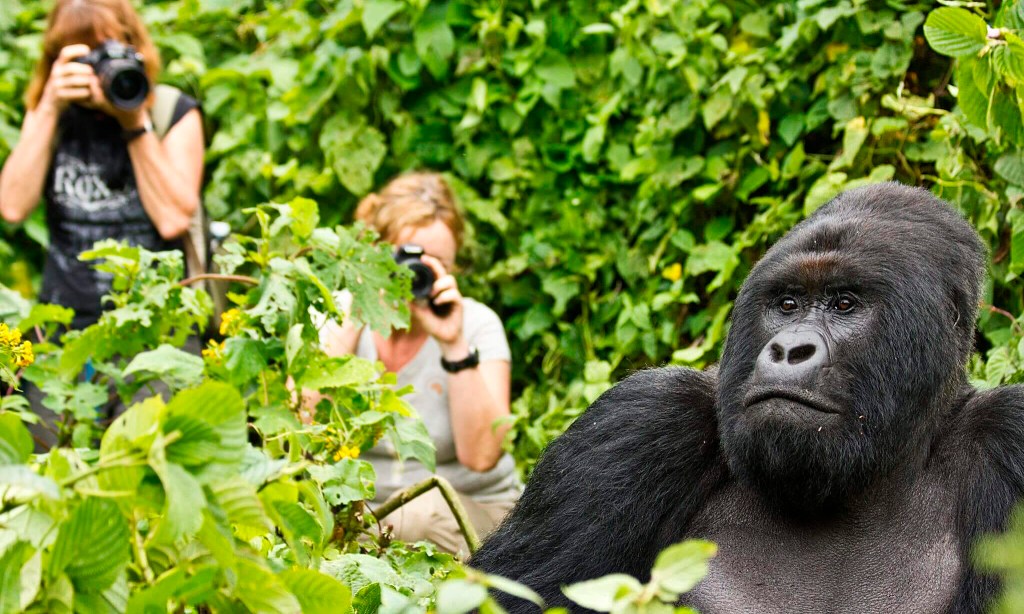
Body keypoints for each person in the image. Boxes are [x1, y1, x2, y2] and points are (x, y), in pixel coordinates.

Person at [321, 172, 520, 556]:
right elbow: (301, 426)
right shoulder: (337, 315)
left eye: (436, 263)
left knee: (421, 515)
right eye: (406, 258)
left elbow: (482, 457)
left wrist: (453, 343)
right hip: (362, 513)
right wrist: (359, 314)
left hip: (470, 512)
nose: (416, 275)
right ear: (376, 253)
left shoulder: (476, 325)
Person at [0, 0, 204, 330]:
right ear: (58, 60)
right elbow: (11, 207)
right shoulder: (52, 115)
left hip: (159, 325)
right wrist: (49, 107)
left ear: (134, 50)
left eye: (107, 53)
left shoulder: (171, 111)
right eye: (85, 59)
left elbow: (173, 220)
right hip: (63, 324)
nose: (99, 72)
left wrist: (134, 121)